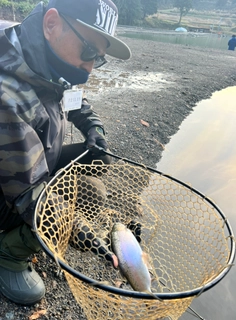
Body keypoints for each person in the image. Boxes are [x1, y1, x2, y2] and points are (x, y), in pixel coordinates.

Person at [0, 0, 131, 305]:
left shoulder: (45, 56)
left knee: (97, 160)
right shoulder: (6, 95)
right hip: (14, 186)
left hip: (30, 160)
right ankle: (7, 254)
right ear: (51, 23)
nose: (88, 68)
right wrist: (87, 236)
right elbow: (30, 196)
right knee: (61, 213)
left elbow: (73, 96)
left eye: (97, 59)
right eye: (88, 52)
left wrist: (93, 128)